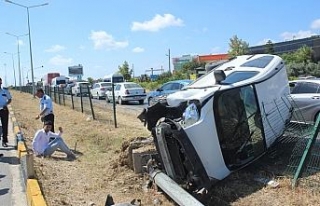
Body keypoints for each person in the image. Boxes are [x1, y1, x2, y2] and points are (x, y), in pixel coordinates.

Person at [0, 77, 12, 148]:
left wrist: (6, 104)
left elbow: (10, 99)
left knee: (5, 126)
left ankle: (4, 141)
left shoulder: (5, 91)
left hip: (4, 110)